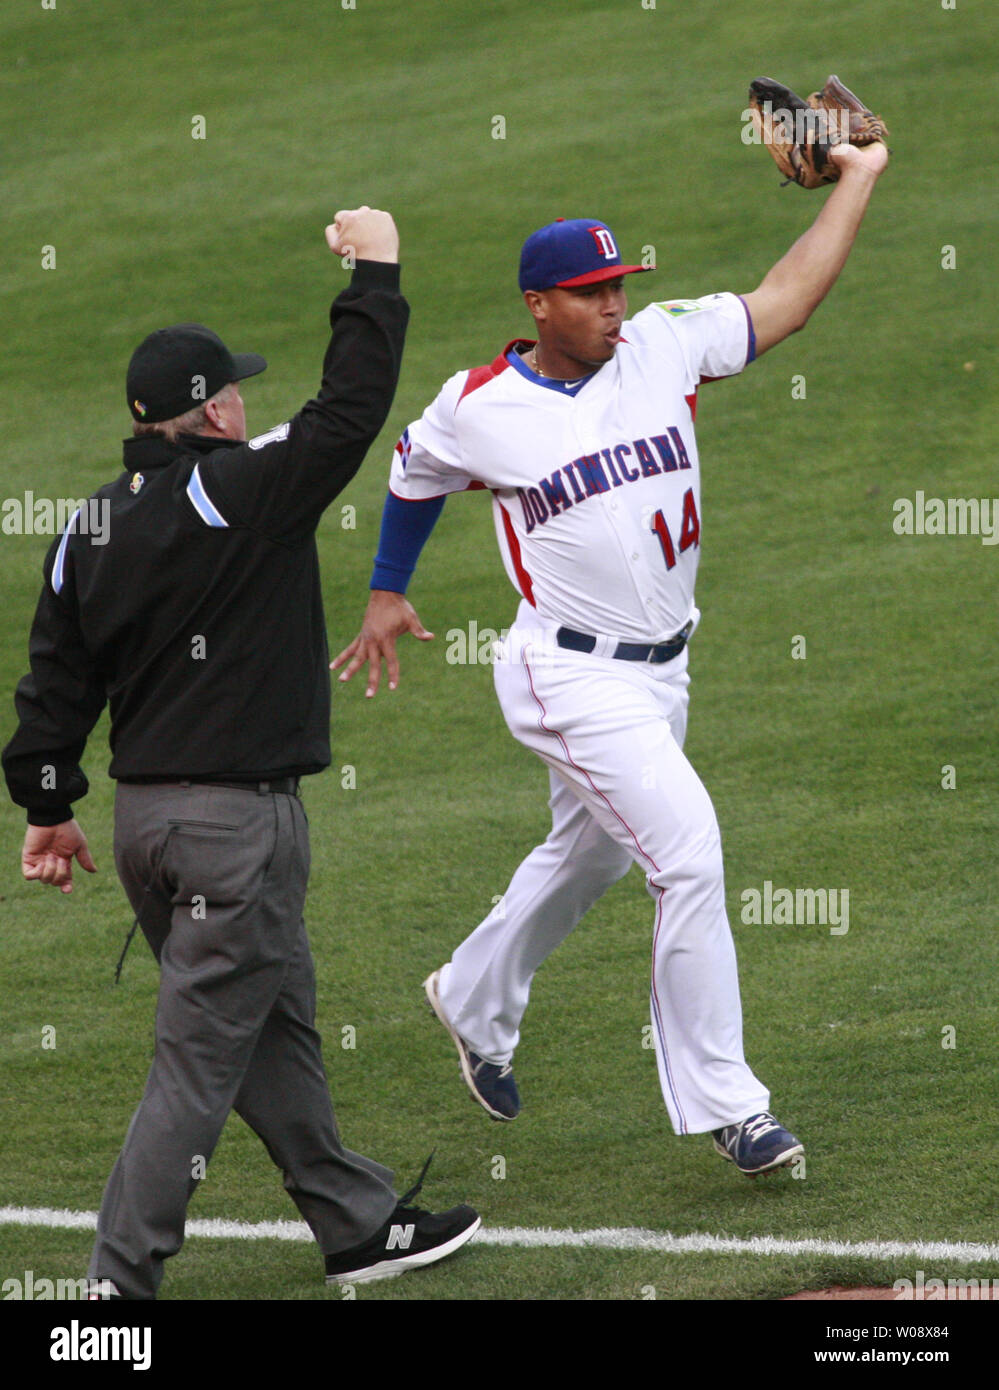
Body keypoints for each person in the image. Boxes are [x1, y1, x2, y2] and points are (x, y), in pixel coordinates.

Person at [333, 143, 890, 1175]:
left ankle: (471, 995)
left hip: (663, 671)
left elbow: (786, 298)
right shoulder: (478, 403)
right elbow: (411, 473)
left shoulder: (665, 346)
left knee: (590, 853)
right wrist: (385, 587)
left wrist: (858, 176)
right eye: (591, 293)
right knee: (688, 851)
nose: (612, 305)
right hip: (567, 673)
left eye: (619, 284)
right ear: (541, 304)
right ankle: (732, 1105)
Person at [1, 207, 479, 1298]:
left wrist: (45, 802)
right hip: (236, 835)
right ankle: (112, 1292)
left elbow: (54, 680)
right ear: (213, 409)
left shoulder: (90, 526)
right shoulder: (240, 492)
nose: (247, 401)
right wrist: (377, 270)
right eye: (236, 390)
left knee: (272, 1020)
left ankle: (356, 1224)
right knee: (194, 1067)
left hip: (145, 834)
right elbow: (351, 411)